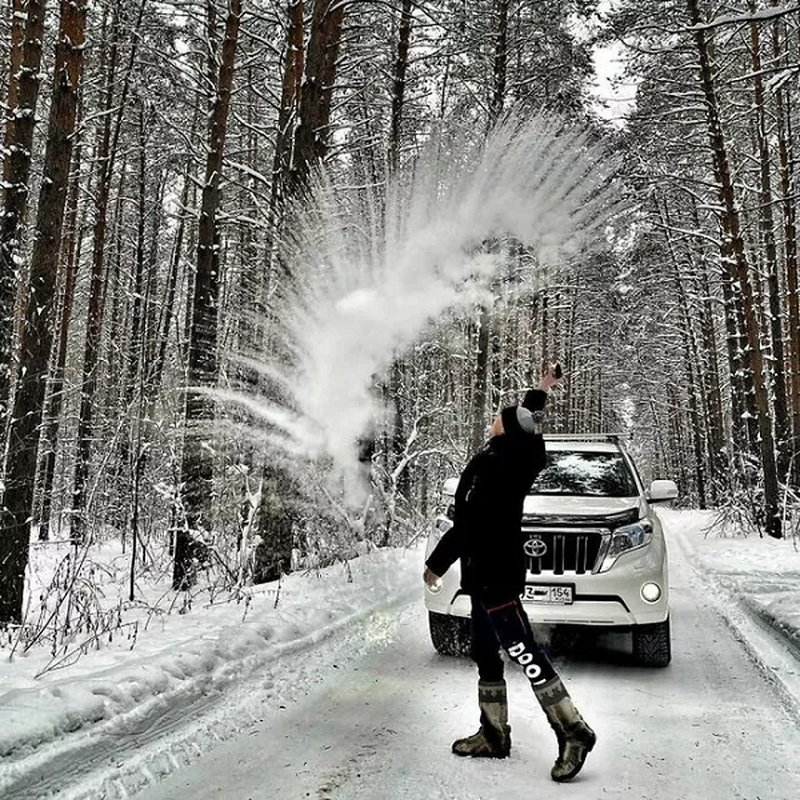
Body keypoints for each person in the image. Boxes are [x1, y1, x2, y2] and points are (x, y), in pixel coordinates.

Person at [423, 364, 595, 782]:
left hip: (495, 574)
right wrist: (541, 389)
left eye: (499, 416)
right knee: (485, 652)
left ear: (509, 429)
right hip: (482, 575)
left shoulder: (506, 464)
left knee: (523, 652)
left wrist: (437, 562)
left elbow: (469, 525)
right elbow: (524, 423)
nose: (493, 418)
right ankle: (494, 734)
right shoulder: (500, 457)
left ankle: (573, 730)